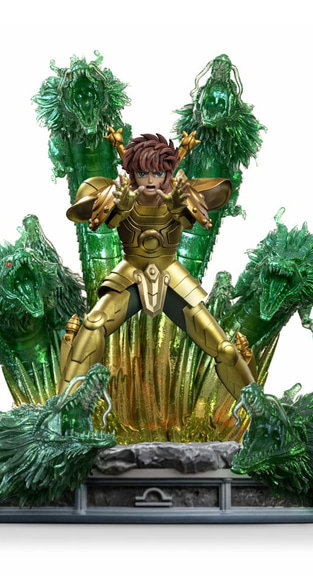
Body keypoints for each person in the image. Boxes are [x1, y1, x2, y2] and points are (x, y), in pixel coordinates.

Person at [59, 133, 254, 398]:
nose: (150, 180)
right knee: (93, 324)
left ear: (167, 173)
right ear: (132, 173)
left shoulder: (181, 194)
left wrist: (178, 209)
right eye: (143, 173)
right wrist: (120, 208)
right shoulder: (118, 193)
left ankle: (258, 410)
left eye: (157, 173)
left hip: (172, 276)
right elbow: (95, 220)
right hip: (130, 273)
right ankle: (62, 408)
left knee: (226, 350)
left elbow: (198, 219)